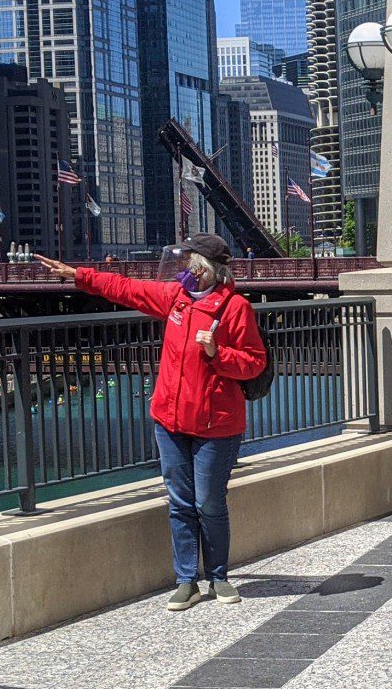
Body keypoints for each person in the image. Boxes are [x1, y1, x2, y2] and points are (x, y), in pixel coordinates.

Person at [34, 235, 268, 610]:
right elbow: (126, 289)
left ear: (206, 270)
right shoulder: (175, 299)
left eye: (191, 263)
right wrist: (78, 275)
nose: (184, 270)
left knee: (209, 502)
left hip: (216, 426)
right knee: (179, 502)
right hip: (169, 420)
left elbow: (254, 362)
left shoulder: (235, 308)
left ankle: (219, 576)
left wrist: (216, 352)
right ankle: (186, 580)